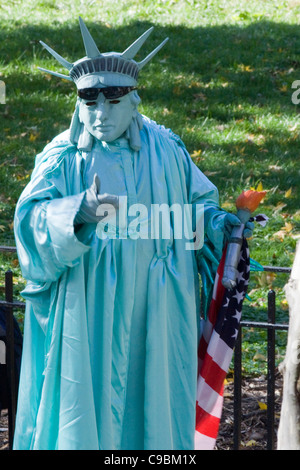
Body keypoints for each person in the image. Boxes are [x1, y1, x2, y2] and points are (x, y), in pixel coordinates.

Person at [13, 18, 253, 450]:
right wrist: (75, 213)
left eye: (112, 100)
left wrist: (226, 226)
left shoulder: (168, 150)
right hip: (88, 307)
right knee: (87, 408)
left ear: (133, 100)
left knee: (154, 409)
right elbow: (29, 222)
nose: (100, 114)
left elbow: (197, 212)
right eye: (89, 102)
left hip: (158, 307)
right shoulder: (63, 157)